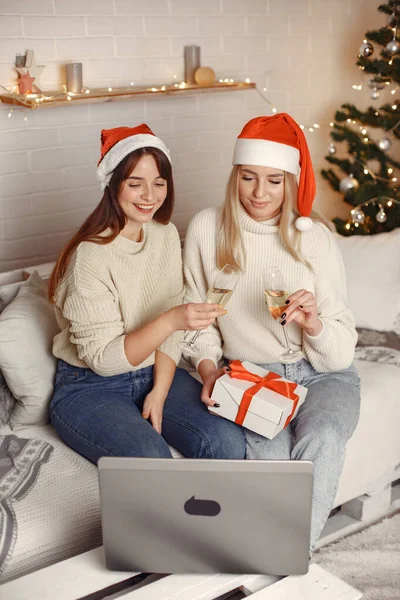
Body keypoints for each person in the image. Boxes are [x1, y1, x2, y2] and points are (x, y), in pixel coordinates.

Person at [183, 113, 361, 550]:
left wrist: (314, 324)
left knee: (324, 436)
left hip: (324, 375)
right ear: (235, 176)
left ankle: (283, 564)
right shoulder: (208, 228)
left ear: (291, 183)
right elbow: (196, 320)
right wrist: (209, 371)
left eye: (274, 181)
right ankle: (279, 562)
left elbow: (340, 352)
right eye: (248, 178)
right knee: (270, 453)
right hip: (254, 376)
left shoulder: (313, 236)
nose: (259, 193)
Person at [47, 123, 246, 464]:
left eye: (158, 183)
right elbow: (105, 361)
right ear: (112, 186)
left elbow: (169, 334)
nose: (149, 196)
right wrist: (172, 320)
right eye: (135, 184)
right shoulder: (89, 257)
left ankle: (216, 520)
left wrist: (159, 392)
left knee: (225, 440)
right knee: (150, 459)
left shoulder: (165, 235)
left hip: (153, 371)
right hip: (90, 385)